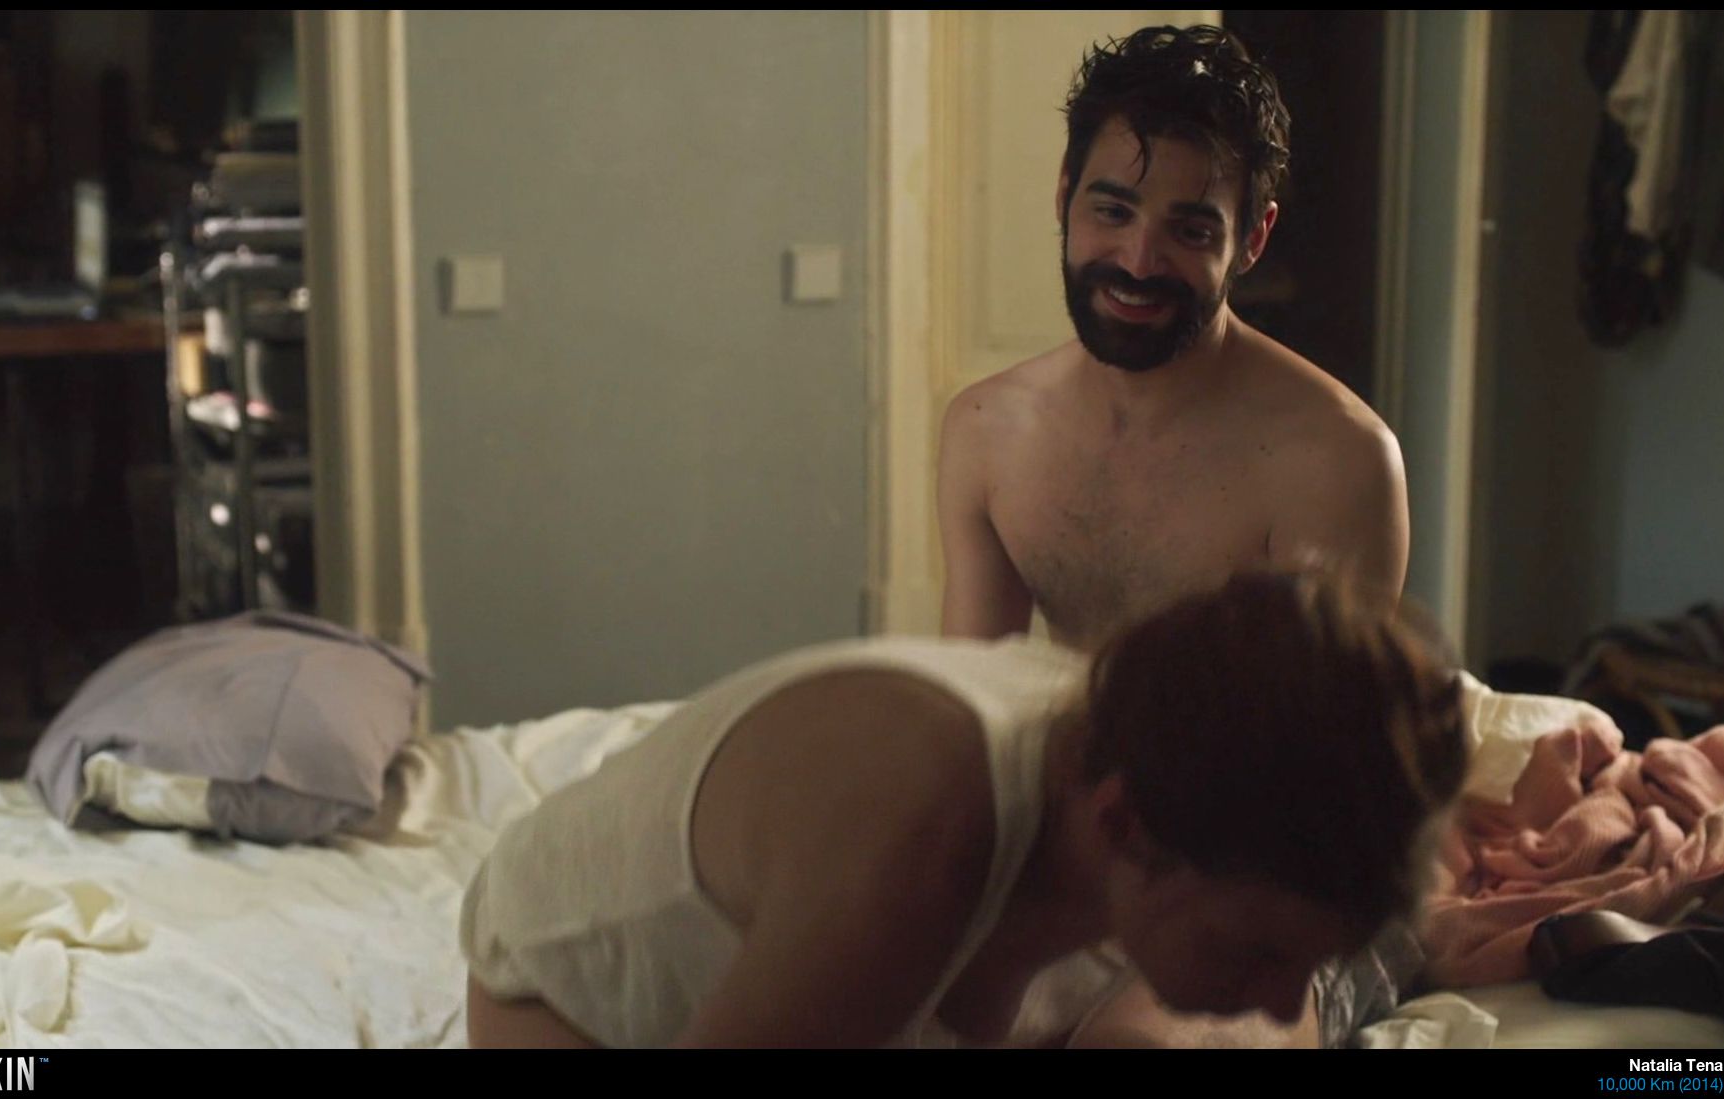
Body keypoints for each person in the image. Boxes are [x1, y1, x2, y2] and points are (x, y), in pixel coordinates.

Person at [459, 571, 1466, 1047]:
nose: (1282, 1001)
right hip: (561, 998)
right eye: (1257, 951)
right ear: (1124, 827)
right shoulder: (912, 838)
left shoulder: (1128, 758)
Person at [938, 25, 1409, 653]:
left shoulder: (1334, 461)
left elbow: (1320, 714)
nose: (1139, 263)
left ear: (1253, 240)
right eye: (1113, 212)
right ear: (1064, 195)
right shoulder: (988, 430)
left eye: (1190, 232)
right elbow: (973, 691)